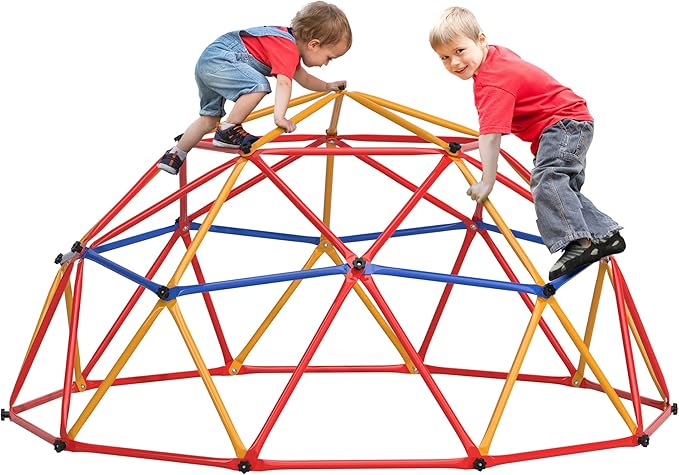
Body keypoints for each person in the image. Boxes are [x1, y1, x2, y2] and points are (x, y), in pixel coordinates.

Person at [429, 6, 625, 281]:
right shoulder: (496, 57)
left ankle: (578, 243)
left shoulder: (492, 81)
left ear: (481, 40)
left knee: (548, 179)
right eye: (445, 58)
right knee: (563, 189)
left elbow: (490, 136)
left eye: (460, 51)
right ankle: (605, 235)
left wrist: (487, 181)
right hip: (571, 122)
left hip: (562, 124)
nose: (454, 63)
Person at [157, 1, 352, 175]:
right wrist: (280, 117)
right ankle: (228, 129)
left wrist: (327, 86)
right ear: (314, 44)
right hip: (221, 60)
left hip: (208, 63)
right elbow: (284, 82)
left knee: (208, 119)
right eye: (329, 57)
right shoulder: (287, 48)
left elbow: (305, 79)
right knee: (258, 86)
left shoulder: (285, 43)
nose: (326, 63)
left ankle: (175, 154)